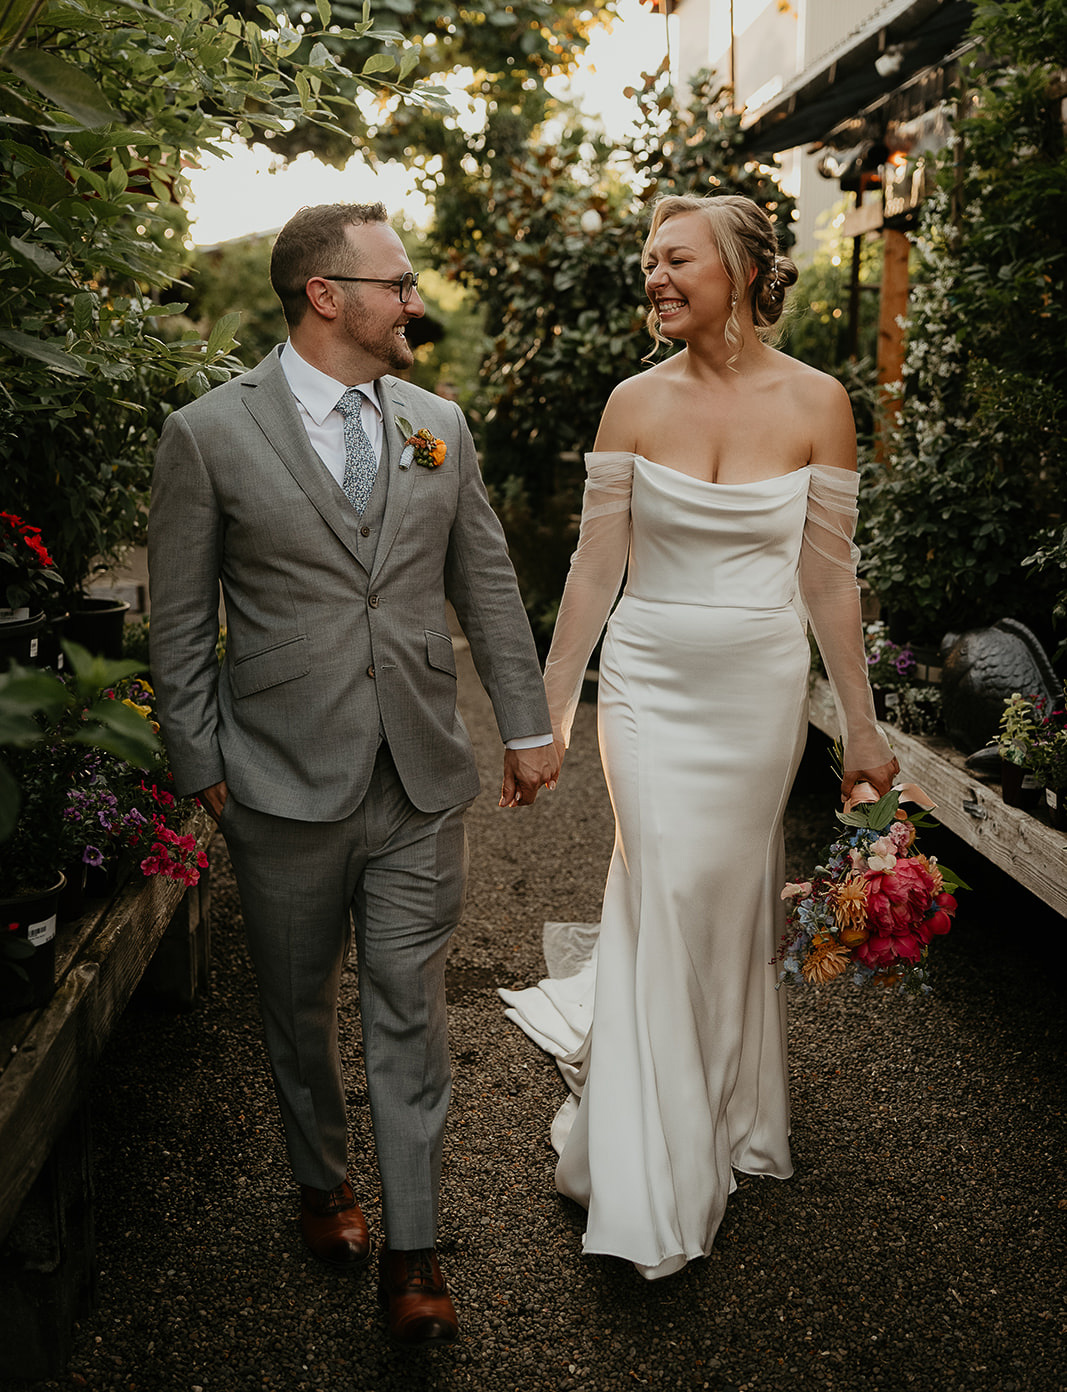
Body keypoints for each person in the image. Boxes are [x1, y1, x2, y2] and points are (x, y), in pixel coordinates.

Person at [148, 202, 558, 1344]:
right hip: (276, 777)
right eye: (398, 282)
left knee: (409, 1009)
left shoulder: (437, 424)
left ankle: (416, 1252)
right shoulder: (208, 433)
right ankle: (323, 1178)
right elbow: (180, 619)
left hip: (418, 771)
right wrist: (199, 761)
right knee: (293, 1008)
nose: (412, 300)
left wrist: (525, 724)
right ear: (326, 294)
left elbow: (484, 580)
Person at [501, 193, 898, 1279]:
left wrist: (858, 726)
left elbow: (827, 578)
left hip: (757, 685)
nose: (655, 278)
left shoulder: (819, 402)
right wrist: (548, 711)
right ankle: (650, 1176)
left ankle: (722, 1109)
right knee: (662, 884)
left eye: (674, 259)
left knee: (723, 899)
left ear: (736, 266)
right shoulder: (629, 402)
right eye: (648, 263)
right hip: (648, 676)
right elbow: (593, 567)